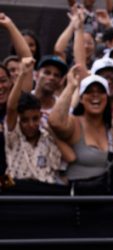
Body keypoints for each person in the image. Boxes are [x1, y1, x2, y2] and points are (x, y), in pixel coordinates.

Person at [4, 57, 75, 186]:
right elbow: (11, 107)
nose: (31, 124)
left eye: (35, 119)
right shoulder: (13, 135)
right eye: (25, 120)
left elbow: (71, 157)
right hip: (16, 191)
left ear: (41, 115)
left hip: (45, 192)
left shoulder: (47, 136)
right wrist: (22, 74)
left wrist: (50, 131)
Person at [49, 70, 113, 194]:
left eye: (100, 92)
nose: (95, 96)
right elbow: (54, 122)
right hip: (78, 200)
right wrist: (71, 86)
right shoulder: (74, 123)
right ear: (81, 98)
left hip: (106, 199)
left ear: (107, 98)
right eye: (89, 92)